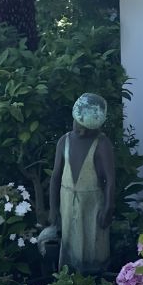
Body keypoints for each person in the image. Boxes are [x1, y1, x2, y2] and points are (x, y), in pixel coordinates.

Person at [45, 92, 115, 274]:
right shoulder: (65, 141)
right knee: (69, 244)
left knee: (93, 245)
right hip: (67, 202)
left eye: (88, 128)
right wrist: (53, 208)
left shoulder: (102, 144)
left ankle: (95, 281)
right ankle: (68, 282)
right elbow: (56, 176)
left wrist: (108, 207)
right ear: (74, 118)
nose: (82, 131)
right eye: (80, 124)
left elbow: (110, 180)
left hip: (93, 205)